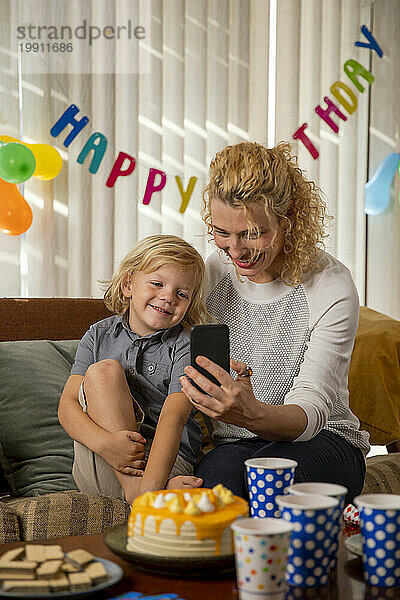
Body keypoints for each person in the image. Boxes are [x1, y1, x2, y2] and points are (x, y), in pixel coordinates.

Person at [179, 141, 370, 505]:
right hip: (236, 442)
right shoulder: (213, 273)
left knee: (270, 480)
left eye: (252, 233)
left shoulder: (329, 284)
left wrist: (251, 413)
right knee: (213, 491)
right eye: (223, 233)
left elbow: (311, 411)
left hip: (326, 440)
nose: (236, 251)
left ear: (289, 217)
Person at [58, 234, 207, 504]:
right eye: (158, 283)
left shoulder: (186, 345)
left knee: (158, 479)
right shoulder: (98, 335)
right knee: (103, 372)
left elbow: (174, 417)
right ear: (128, 284)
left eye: (181, 294)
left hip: (164, 463)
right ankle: (142, 493)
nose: (168, 297)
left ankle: (144, 493)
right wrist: (106, 444)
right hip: (105, 459)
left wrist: (151, 484)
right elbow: (66, 407)